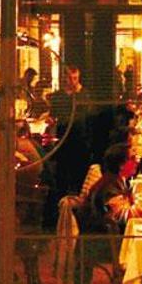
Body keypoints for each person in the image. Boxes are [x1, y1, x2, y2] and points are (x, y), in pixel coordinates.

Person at [74, 143, 142, 284]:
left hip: (103, 238)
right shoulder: (110, 185)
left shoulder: (116, 181)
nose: (137, 161)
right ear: (121, 165)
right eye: (133, 158)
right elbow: (121, 215)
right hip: (101, 243)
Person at [48, 65, 92, 197]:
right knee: (62, 172)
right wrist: (51, 120)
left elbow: (86, 115)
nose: (73, 81)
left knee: (79, 173)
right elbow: (53, 114)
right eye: (70, 78)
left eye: (75, 78)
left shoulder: (84, 94)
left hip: (80, 138)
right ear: (64, 78)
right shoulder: (58, 96)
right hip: (63, 137)